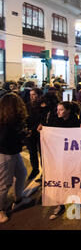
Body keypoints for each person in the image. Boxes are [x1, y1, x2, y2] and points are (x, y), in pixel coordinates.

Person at [45, 101, 81, 220]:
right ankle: (60, 205)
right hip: (57, 156)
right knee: (58, 180)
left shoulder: (76, 122)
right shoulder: (54, 121)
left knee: (72, 179)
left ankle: (76, 201)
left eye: (61, 110)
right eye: (57, 109)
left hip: (71, 158)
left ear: (68, 111)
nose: (58, 112)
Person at [0, 93, 32, 223]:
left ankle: (18, 198)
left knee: (22, 173)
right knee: (4, 184)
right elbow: (5, 139)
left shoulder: (8, 119)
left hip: (13, 152)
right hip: (6, 154)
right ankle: (1, 210)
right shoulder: (6, 122)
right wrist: (22, 137)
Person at [25, 88, 44, 181]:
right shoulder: (27, 105)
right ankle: (35, 169)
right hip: (30, 133)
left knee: (42, 153)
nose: (32, 97)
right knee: (32, 152)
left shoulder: (43, 106)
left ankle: (44, 172)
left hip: (40, 132)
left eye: (34, 95)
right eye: (30, 95)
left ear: (39, 95)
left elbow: (43, 119)